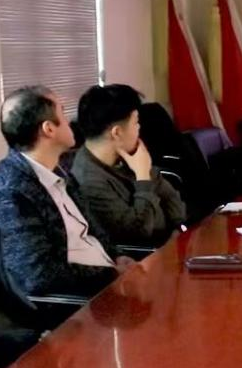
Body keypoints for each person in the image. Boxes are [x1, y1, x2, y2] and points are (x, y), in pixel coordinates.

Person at [0, 87, 122, 300]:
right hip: (79, 303)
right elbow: (36, 276)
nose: (70, 121)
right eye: (62, 112)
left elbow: (92, 232)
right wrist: (110, 274)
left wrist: (118, 258)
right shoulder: (7, 192)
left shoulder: (59, 171)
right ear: (49, 129)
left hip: (109, 282)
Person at [71, 84, 186, 249]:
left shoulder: (126, 155)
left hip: (172, 244)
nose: (139, 128)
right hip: (146, 257)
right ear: (117, 132)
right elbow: (138, 232)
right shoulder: (89, 182)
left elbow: (172, 199)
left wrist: (178, 229)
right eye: (136, 122)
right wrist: (143, 177)